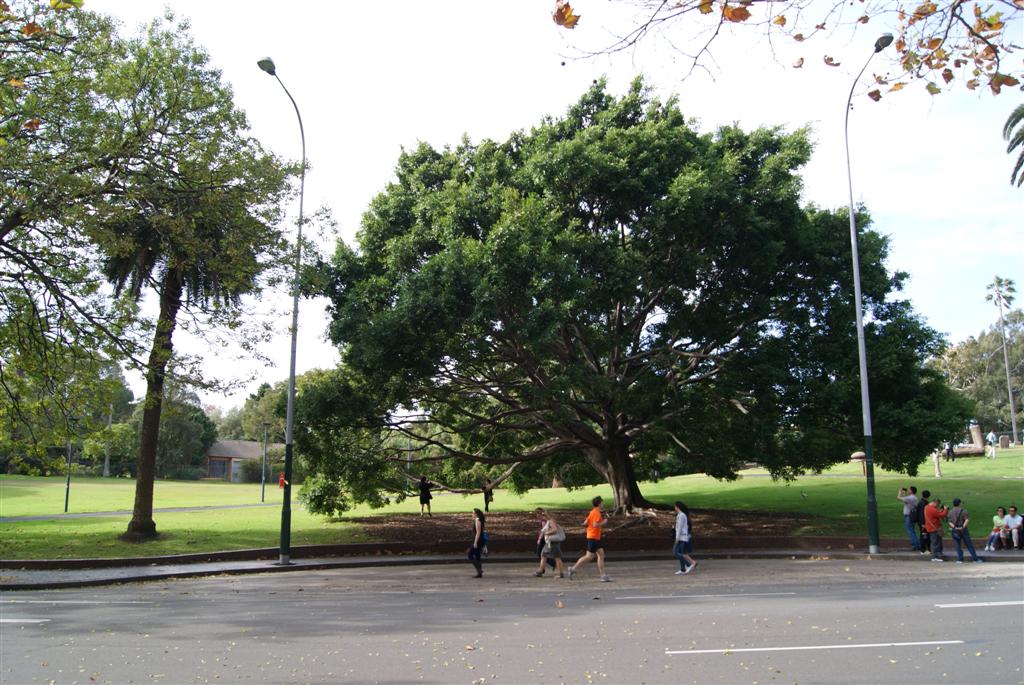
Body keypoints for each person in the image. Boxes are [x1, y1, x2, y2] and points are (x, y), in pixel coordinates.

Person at [568, 496, 611, 582]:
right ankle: (573, 569)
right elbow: (595, 525)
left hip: (594, 537)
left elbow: (585, 522)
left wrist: (584, 524)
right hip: (593, 537)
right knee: (589, 557)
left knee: (601, 555)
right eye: (602, 502)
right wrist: (604, 522)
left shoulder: (592, 512)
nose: (603, 504)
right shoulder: (596, 513)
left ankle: (603, 575)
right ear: (599, 503)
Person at [948, 497, 982, 563]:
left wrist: (955, 527)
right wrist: (963, 527)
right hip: (963, 529)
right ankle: (975, 559)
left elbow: (949, 522)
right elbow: (966, 520)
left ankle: (960, 559)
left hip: (955, 530)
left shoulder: (950, 512)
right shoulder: (963, 511)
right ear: (959, 503)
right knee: (969, 544)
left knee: (957, 545)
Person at [534, 508, 565, 578]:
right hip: (550, 542)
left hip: (553, 542)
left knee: (557, 557)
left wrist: (546, 533)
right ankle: (540, 571)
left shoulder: (551, 521)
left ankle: (561, 573)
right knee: (543, 554)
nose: (543, 516)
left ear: (547, 515)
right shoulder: (549, 521)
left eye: (544, 515)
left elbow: (555, 530)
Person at [673, 501, 697, 575]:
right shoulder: (681, 515)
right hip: (682, 536)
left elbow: (680, 528)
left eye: (675, 506)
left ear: (677, 507)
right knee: (680, 552)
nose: (674, 508)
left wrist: (677, 538)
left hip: (681, 537)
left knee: (675, 552)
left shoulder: (681, 515)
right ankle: (683, 569)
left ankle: (689, 563)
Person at [924, 496, 949, 562]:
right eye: (938, 505)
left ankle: (938, 554)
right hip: (934, 528)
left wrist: (939, 511)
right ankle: (934, 557)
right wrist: (945, 509)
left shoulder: (926, 507)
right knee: (935, 542)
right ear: (935, 503)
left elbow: (935, 514)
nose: (937, 506)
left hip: (931, 527)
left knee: (937, 541)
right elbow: (942, 515)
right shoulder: (932, 509)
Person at [897, 486, 921, 551]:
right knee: (912, 531)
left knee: (910, 531)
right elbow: (906, 501)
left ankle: (916, 545)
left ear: (911, 491)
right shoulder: (913, 497)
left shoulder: (910, 498)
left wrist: (900, 492)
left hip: (909, 516)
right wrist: (905, 493)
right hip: (912, 516)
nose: (908, 490)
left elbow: (898, 498)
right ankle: (917, 544)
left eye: (909, 490)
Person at [468, 508, 486, 578]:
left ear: (476, 514)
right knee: (477, 555)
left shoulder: (477, 520)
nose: (472, 514)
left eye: (473, 513)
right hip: (479, 540)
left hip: (477, 541)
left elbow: (478, 532)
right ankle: (479, 573)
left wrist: (475, 542)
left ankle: (479, 569)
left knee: (470, 554)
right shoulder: (479, 520)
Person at [915, 490, 932, 555]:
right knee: (924, 536)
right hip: (924, 523)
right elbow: (923, 514)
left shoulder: (920, 502)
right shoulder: (924, 503)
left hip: (921, 522)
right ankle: (923, 550)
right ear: (929, 496)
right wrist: (923, 523)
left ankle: (925, 549)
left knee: (924, 535)